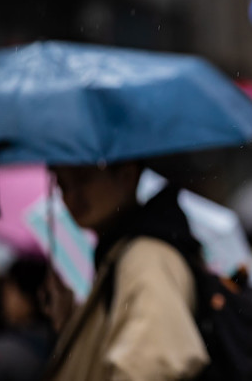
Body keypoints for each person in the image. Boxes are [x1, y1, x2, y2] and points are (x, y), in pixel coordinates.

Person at [43, 163, 210, 381]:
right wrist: (71, 323)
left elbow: (151, 365)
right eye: (62, 185)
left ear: (127, 175)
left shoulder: (145, 257)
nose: (71, 196)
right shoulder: (119, 254)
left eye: (82, 179)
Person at [0, 258, 53, 381]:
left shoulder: (3, 352)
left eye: (10, 290)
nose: (4, 299)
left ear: (28, 297)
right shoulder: (56, 338)